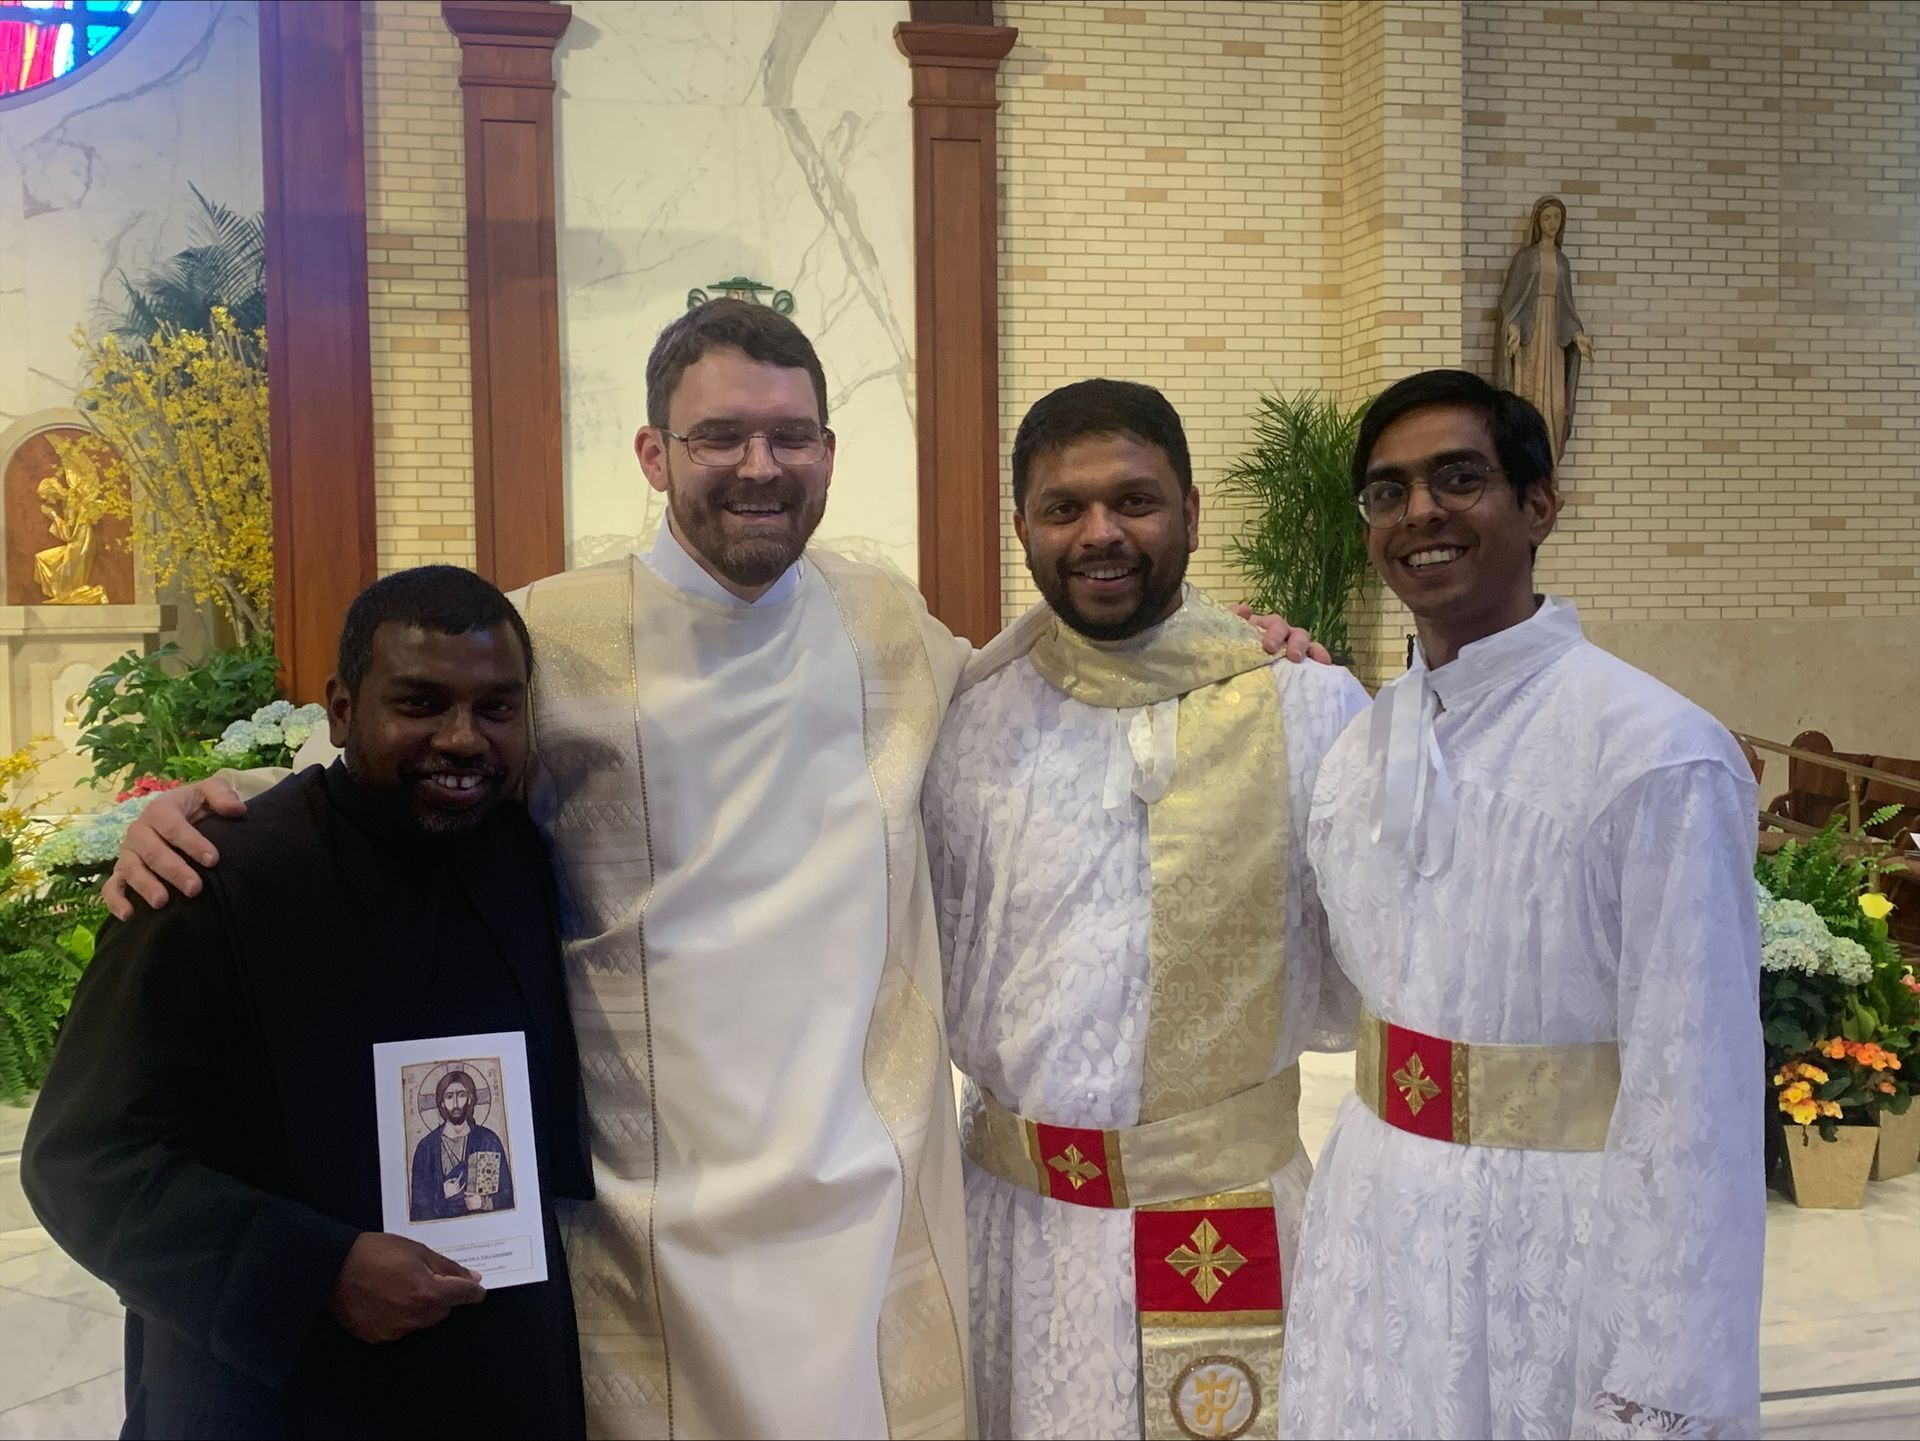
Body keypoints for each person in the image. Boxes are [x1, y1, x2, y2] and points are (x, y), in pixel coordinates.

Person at [98, 302, 1315, 1440]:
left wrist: (1231, 640)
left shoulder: (887, 622)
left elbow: (1062, 671)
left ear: (829, 454)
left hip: (872, 1193)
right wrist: (213, 812)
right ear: (653, 452)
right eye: (720, 436)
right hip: (649, 1211)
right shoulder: (553, 633)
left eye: (790, 436)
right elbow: (393, 773)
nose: (758, 465)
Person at [1280, 370, 1764, 1439]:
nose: (1420, 512)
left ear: (1539, 503)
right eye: (1389, 491)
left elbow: (1699, 1098)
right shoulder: (1364, 743)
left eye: (1459, 479)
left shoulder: (1654, 752)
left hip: (1555, 1245)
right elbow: (1329, 996)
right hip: (1376, 1222)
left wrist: (1662, 1379)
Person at [24, 567, 592, 1439]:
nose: (462, 738)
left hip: (493, 1373)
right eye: (419, 703)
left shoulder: (520, 857)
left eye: (496, 709)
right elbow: (82, 1160)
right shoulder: (207, 880)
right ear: (340, 709)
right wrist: (319, 1271)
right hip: (278, 1388)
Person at [926, 380, 1369, 1440]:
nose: (1100, 533)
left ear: (1193, 512)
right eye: (1063, 508)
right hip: (1018, 1233)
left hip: (1224, 1221)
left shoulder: (1307, 705)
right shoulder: (971, 717)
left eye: (1134, 500)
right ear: (1022, 528)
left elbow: (1389, 962)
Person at [1495, 194, 1595, 462]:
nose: (1552, 223)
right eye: (1547, 217)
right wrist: (1513, 326)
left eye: (1557, 218)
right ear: (1538, 221)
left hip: (1554, 339)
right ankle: (1528, 463)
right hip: (1530, 336)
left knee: (1556, 405)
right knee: (1530, 398)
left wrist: (1577, 335)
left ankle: (1550, 464)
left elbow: (1567, 306)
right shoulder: (1526, 257)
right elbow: (1512, 301)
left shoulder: (1562, 261)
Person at [409, 1070, 515, 1221]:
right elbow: (418, 1209)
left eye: (461, 1095)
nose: (456, 1104)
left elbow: (508, 1195)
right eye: (449, 1097)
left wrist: (484, 1203)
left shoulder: (488, 1140)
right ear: (442, 1103)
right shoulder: (426, 1148)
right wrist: (442, 1193)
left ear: (470, 1099)